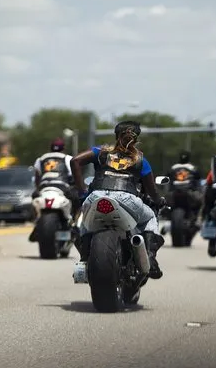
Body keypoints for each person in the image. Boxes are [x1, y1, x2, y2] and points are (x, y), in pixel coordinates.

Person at [69, 120, 166, 280]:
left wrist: (82, 192)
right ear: (136, 138)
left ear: (116, 135)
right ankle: (149, 257)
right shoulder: (141, 159)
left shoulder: (100, 152)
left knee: (84, 224)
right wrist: (159, 200)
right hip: (127, 198)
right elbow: (151, 191)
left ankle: (85, 258)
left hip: (96, 196)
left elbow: (75, 161)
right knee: (150, 217)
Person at [29, 138, 80, 242]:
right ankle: (73, 222)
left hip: (44, 188)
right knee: (77, 199)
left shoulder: (41, 159)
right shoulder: (67, 158)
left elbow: (37, 176)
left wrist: (38, 189)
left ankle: (36, 224)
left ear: (50, 148)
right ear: (63, 148)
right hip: (62, 188)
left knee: (34, 198)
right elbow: (73, 175)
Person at [166, 151, 203, 224]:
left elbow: (167, 178)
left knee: (165, 205)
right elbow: (198, 179)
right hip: (189, 193)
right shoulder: (193, 168)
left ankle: (167, 220)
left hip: (174, 193)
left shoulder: (173, 168)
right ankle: (198, 219)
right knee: (201, 202)